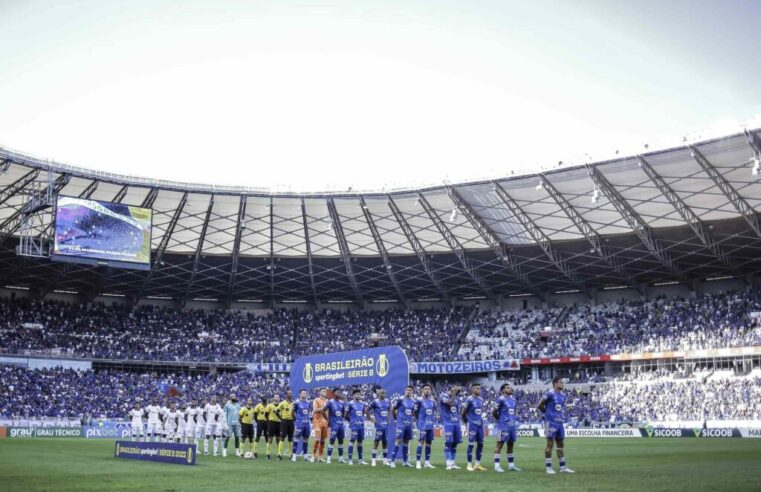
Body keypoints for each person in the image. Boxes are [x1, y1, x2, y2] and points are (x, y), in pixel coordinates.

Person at [537, 377, 575, 474]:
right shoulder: (549, 393)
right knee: (550, 444)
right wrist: (547, 414)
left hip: (559, 423)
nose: (563, 384)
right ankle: (548, 467)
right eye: (561, 382)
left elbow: (560, 409)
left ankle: (563, 467)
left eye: (563, 383)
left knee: (560, 445)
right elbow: (540, 405)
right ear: (555, 384)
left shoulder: (563, 396)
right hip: (551, 422)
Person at [493, 383, 521, 472]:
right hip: (503, 426)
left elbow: (513, 412)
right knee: (499, 444)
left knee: (511, 445)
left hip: (512, 426)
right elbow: (494, 412)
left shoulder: (514, 400)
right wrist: (500, 421)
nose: (510, 389)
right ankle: (497, 466)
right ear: (503, 390)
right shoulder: (500, 399)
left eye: (510, 387)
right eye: (507, 388)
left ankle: (511, 466)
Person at [462, 383, 487, 471]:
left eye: (479, 388)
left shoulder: (480, 399)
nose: (479, 390)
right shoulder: (469, 400)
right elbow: (463, 413)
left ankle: (477, 464)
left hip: (480, 424)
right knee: (471, 444)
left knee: (481, 444)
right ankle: (469, 465)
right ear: (472, 390)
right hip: (472, 424)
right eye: (477, 388)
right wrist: (467, 422)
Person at [390, 385, 416, 468]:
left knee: (406, 443)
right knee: (398, 441)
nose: (408, 391)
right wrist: (395, 419)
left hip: (409, 424)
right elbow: (393, 409)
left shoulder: (413, 401)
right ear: (405, 391)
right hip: (401, 424)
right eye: (407, 390)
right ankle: (392, 461)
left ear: (412, 392)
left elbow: (413, 412)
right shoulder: (400, 399)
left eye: (410, 390)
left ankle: (405, 462)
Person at [440, 385, 463, 470]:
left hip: (456, 423)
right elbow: (449, 403)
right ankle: (448, 463)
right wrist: (453, 394)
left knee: (455, 443)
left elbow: (456, 410)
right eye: (455, 390)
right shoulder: (443, 396)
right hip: (447, 423)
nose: (457, 392)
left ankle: (453, 463)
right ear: (451, 389)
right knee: (448, 442)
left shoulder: (457, 399)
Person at [366, 388, 390, 467]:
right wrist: (370, 419)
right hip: (378, 426)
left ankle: (385, 460)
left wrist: (388, 419)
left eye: (384, 393)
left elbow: (389, 411)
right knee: (376, 442)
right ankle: (373, 460)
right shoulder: (375, 402)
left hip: (385, 425)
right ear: (378, 394)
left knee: (385, 442)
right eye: (382, 393)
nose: (383, 394)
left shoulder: (387, 401)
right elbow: (366, 410)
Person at [415, 383, 436, 469]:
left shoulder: (432, 401)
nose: (427, 390)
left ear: (430, 391)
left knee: (429, 443)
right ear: (422, 390)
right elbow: (415, 412)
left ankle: (427, 462)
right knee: (421, 442)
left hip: (430, 425)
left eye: (428, 389)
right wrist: (419, 421)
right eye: (425, 389)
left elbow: (432, 412)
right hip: (422, 425)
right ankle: (418, 462)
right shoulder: (419, 401)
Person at [324, 388, 346, 464]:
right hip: (334, 425)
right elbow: (323, 411)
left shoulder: (342, 403)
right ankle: (329, 458)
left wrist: (343, 419)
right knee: (332, 441)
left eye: (340, 392)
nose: (339, 393)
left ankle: (341, 458)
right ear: (333, 393)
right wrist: (328, 420)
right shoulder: (330, 402)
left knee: (341, 442)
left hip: (341, 425)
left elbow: (343, 413)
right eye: (337, 392)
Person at [345, 389, 368, 465]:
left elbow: (362, 414)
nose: (358, 395)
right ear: (353, 395)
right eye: (356, 394)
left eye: (359, 394)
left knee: (360, 442)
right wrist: (351, 421)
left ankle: (360, 460)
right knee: (352, 441)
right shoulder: (350, 404)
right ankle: (350, 460)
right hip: (354, 426)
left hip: (361, 426)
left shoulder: (363, 404)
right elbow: (345, 415)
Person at [292, 389, 312, 462]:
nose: (305, 394)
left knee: (306, 439)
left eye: (305, 393)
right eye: (303, 393)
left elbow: (308, 411)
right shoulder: (296, 402)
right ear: (300, 394)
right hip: (299, 424)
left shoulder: (308, 402)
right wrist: (297, 420)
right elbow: (293, 412)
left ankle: (305, 456)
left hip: (307, 424)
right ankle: (294, 455)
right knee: (296, 438)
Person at [311, 388, 329, 463]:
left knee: (322, 441)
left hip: (325, 422)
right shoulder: (316, 400)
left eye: (325, 391)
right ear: (320, 392)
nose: (325, 392)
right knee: (317, 439)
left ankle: (320, 457)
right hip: (317, 422)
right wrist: (323, 408)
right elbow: (315, 409)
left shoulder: (328, 401)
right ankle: (313, 455)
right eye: (323, 391)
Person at [276, 390, 295, 460]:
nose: (291, 394)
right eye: (289, 393)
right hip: (284, 421)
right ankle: (279, 454)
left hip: (291, 422)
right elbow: (277, 412)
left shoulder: (293, 403)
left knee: (290, 438)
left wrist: (294, 418)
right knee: (282, 437)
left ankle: (291, 455)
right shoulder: (282, 403)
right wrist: (281, 418)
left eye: (291, 393)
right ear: (286, 395)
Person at [224, 393, 242, 457]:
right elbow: (224, 415)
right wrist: (225, 424)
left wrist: (240, 422)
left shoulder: (238, 405)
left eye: (235, 396)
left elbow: (240, 415)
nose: (235, 397)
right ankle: (224, 451)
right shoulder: (227, 405)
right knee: (227, 437)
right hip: (230, 423)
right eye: (233, 396)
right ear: (230, 397)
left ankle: (237, 452)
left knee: (237, 437)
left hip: (236, 423)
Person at [265, 394, 282, 460]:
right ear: (273, 398)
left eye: (278, 397)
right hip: (271, 423)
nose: (277, 398)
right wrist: (268, 421)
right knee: (270, 439)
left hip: (279, 423)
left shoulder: (281, 405)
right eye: (276, 397)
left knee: (278, 439)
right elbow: (266, 414)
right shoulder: (269, 406)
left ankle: (278, 454)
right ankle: (268, 453)